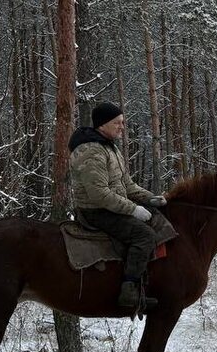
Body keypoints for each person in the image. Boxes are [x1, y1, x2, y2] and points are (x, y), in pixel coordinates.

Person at [69, 102, 167, 310]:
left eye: (123, 122)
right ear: (103, 124)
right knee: (144, 235)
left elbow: (127, 185)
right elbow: (99, 195)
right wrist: (132, 209)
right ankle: (129, 291)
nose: (122, 126)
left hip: (109, 207)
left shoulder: (109, 147)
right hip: (95, 212)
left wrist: (150, 199)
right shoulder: (92, 151)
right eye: (118, 123)